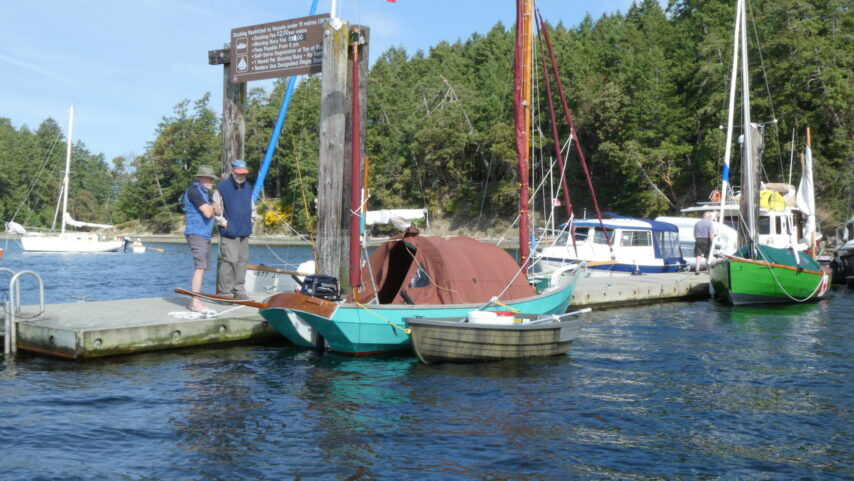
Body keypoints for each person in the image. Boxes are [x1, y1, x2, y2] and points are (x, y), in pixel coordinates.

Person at [213, 159, 255, 299]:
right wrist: (223, 222)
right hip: (230, 232)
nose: (241, 176)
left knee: (243, 261)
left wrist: (252, 218)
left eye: (244, 173)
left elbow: (251, 205)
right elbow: (215, 207)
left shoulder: (247, 186)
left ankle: (239, 290)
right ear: (232, 171)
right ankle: (225, 293)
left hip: (245, 230)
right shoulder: (222, 187)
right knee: (229, 261)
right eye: (239, 173)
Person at [184, 165, 221, 311]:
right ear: (200, 178)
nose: (212, 181)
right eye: (209, 178)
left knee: (203, 267)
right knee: (200, 267)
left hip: (205, 234)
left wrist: (213, 209)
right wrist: (213, 208)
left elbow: (218, 211)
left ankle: (195, 300)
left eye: (212, 178)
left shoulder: (206, 193)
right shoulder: (194, 191)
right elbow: (208, 212)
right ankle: (195, 302)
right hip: (196, 232)